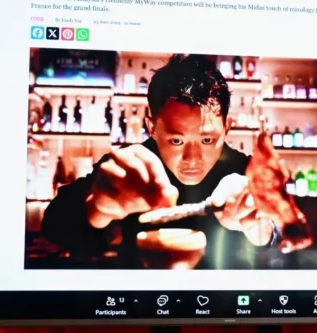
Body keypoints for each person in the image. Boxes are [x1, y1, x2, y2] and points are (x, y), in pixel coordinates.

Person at [42, 53, 276, 269]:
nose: (192, 159)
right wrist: (97, 208)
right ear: (151, 127)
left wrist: (261, 227)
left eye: (207, 140)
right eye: (176, 141)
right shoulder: (130, 168)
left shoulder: (247, 171)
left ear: (227, 127)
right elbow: (53, 225)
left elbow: (282, 233)